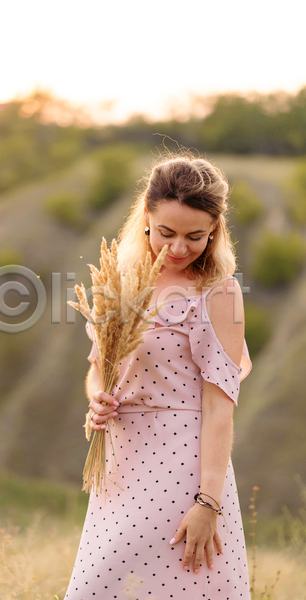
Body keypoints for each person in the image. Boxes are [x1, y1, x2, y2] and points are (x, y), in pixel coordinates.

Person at [64, 151, 252, 600]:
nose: (179, 248)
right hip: (121, 464)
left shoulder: (219, 293)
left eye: (196, 236)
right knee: (98, 587)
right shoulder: (123, 280)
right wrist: (97, 398)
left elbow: (218, 406)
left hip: (183, 466)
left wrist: (208, 503)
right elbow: (99, 370)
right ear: (145, 217)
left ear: (215, 231)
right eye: (166, 233)